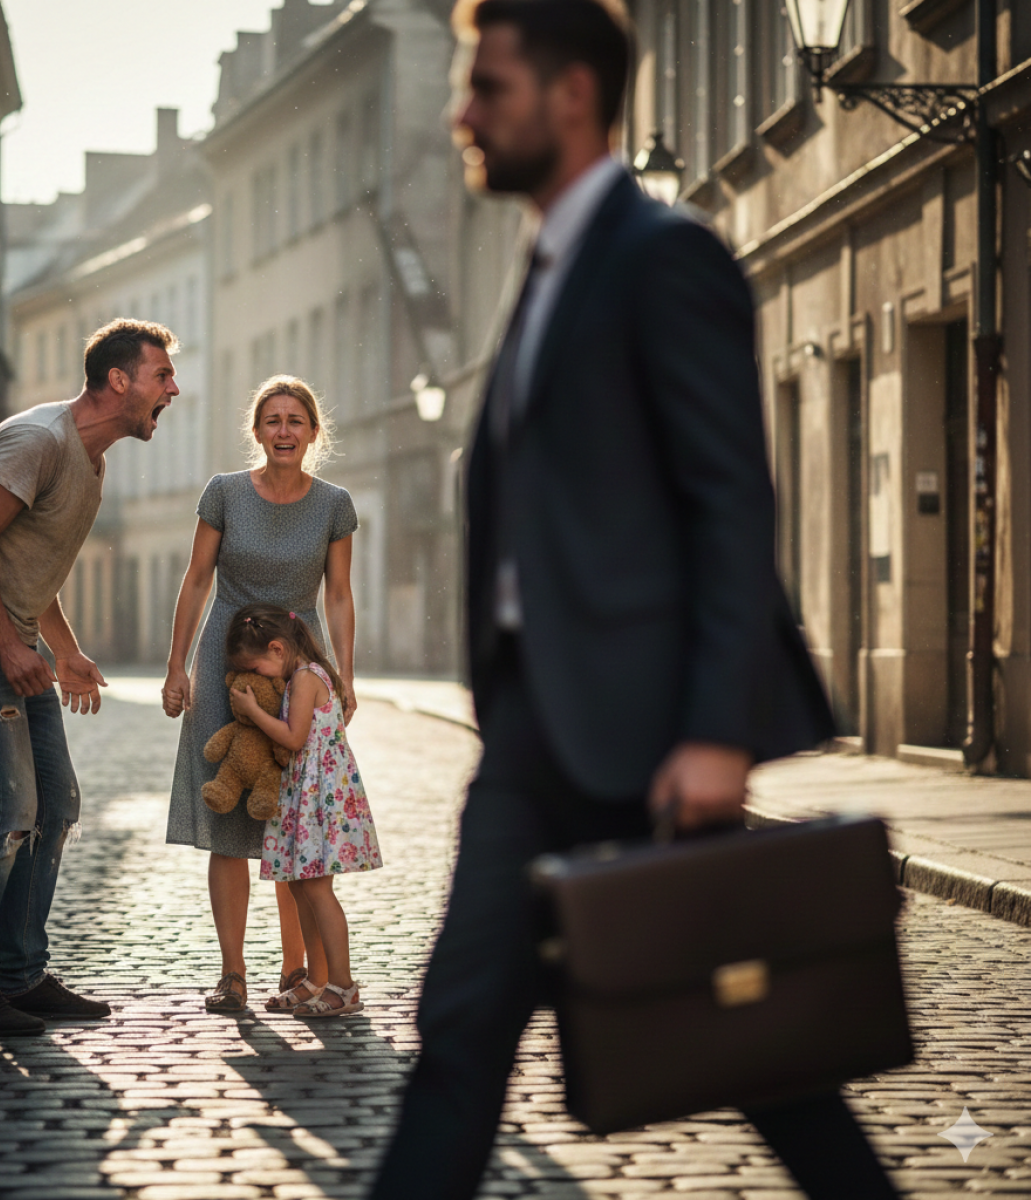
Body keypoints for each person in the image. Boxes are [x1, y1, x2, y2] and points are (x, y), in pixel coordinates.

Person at [369, 2, 900, 1198]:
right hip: (534, 741)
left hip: (647, 736)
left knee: (772, 1058)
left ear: (569, 96)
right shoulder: (545, 272)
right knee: (459, 1039)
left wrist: (717, 731)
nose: (463, 113)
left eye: (487, 86)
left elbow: (730, 504)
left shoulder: (663, 257)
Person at [0, 319, 181, 1037]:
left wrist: (64, 649)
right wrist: (8, 644)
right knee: (6, 809)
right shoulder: (39, 442)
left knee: (56, 805)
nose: (173, 389)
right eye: (162, 376)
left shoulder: (92, 462)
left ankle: (22, 976)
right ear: (119, 381)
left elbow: (32, 568)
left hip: (7, 638)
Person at [162, 375, 358, 1015]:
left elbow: (337, 595)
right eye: (272, 420)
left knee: (291, 818)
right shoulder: (222, 494)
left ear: (312, 432)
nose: (283, 431)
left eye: (295, 421)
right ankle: (233, 974)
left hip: (297, 665)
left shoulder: (334, 504)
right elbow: (196, 580)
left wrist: (346, 677)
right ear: (257, 430)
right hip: (226, 661)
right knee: (228, 820)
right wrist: (176, 667)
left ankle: (296, 969)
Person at [223, 602, 381, 1016]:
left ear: (277, 649)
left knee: (317, 888)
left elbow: (294, 738)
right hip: (303, 794)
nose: (256, 678)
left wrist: (255, 712)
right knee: (298, 884)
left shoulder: (309, 678)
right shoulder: (297, 676)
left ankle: (343, 986)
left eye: (256, 669)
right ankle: (315, 978)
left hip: (320, 797)